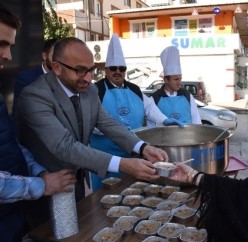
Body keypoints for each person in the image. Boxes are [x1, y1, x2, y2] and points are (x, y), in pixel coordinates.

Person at [16, 37, 168, 227]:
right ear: (56, 67)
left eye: (91, 70)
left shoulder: (89, 91)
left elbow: (108, 123)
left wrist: (142, 147)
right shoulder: (35, 95)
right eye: (80, 70)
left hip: (76, 182)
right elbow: (65, 147)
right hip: (45, 187)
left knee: (82, 232)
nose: (88, 78)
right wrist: (124, 165)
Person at [0, 4, 76, 242]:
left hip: (13, 213)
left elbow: (11, 143)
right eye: (1, 44)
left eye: (10, 46)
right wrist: (42, 184)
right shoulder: (28, 84)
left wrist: (37, 170)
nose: (8, 55)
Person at [90, 34, 181, 191]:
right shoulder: (95, 90)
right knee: (105, 197)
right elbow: (89, 122)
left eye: (122, 68)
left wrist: (165, 120)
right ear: (106, 70)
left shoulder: (134, 89)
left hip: (134, 156)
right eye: (113, 68)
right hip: (106, 158)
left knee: (133, 194)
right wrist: (113, 127)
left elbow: (150, 108)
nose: (118, 72)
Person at [149, 46, 202, 125]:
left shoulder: (187, 95)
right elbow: (151, 124)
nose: (179, 82)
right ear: (166, 80)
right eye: (176, 79)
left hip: (187, 136)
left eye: (180, 79)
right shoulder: (155, 98)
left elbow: (196, 120)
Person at [12, 38, 58, 121]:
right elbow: (17, 114)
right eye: (55, 56)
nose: (58, 61)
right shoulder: (26, 79)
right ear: (44, 56)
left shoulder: (66, 78)